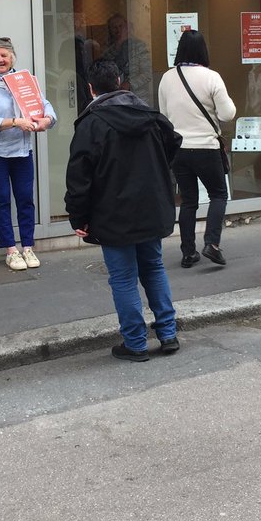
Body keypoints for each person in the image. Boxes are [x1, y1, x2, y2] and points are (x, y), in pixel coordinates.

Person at [66, 60, 183, 361]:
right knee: (154, 268)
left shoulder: (91, 124)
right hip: (151, 205)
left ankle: (135, 343)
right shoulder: (149, 116)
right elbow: (173, 143)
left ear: (91, 89)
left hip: (112, 212)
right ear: (120, 81)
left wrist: (78, 216)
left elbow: (79, 178)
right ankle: (168, 334)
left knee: (123, 277)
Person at [0, 37, 57, 271]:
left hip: (21, 151)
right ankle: (10, 250)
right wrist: (15, 122)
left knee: (25, 199)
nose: (0, 60)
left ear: (12, 58)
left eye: (5, 56)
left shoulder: (23, 81)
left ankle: (28, 247)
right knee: (1, 200)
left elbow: (44, 105)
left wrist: (47, 120)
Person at [157, 29, 236, 268]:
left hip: (179, 149)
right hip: (206, 148)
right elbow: (228, 114)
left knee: (189, 201)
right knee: (218, 194)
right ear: (203, 50)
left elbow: (163, 116)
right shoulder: (211, 77)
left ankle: (188, 252)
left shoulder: (167, 78)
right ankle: (211, 243)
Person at [102, 13, 152, 103]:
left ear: (127, 27)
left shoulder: (139, 46)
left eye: (121, 26)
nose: (118, 30)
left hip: (138, 99)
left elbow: (147, 74)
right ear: (110, 30)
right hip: (116, 99)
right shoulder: (107, 52)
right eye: (114, 27)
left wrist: (129, 84)